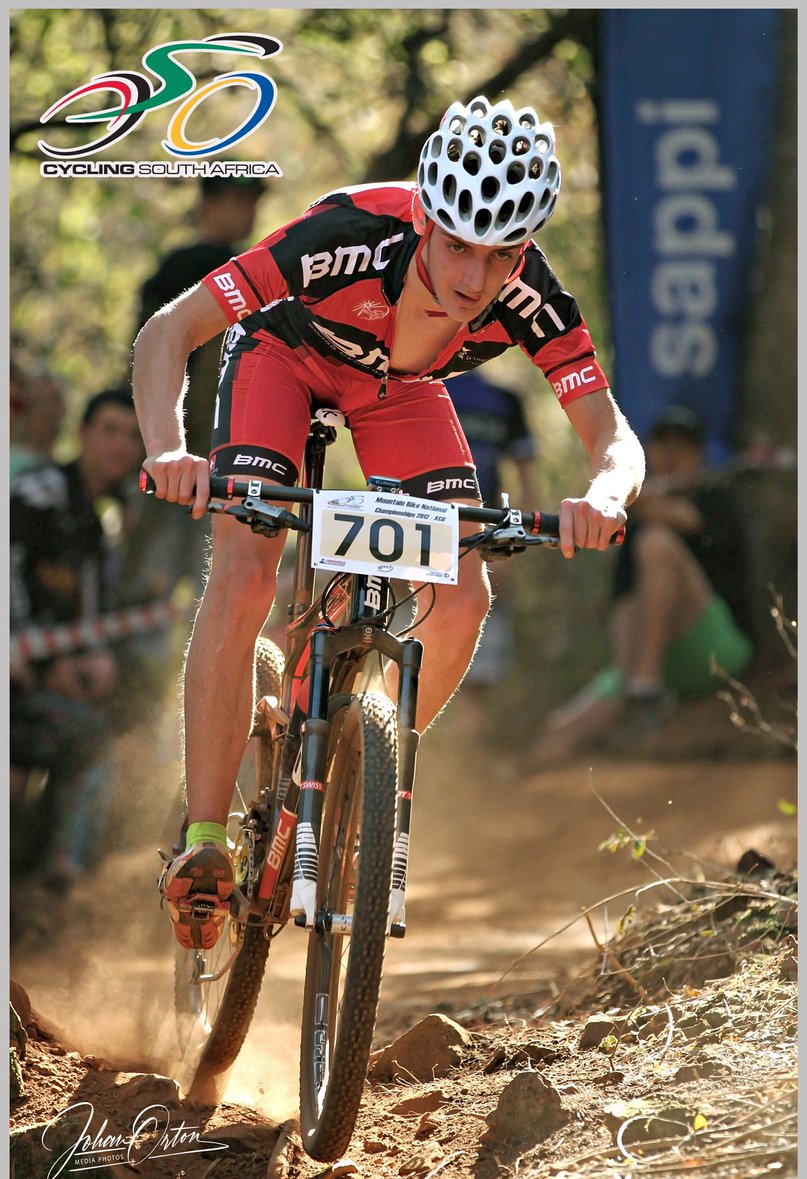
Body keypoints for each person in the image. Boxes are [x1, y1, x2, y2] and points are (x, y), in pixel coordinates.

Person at [132, 95, 645, 950]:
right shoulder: (345, 236)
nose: (475, 279)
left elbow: (610, 434)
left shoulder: (530, 294)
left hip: (398, 392)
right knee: (247, 566)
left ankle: (355, 769)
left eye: (503, 252)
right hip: (283, 358)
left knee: (463, 593)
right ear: (425, 217)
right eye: (456, 245)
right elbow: (169, 331)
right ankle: (207, 842)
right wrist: (166, 448)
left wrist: (603, 497)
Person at [115, 176, 269, 694]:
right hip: (178, 459)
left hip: (216, 464)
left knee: (203, 587)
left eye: (252, 201)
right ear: (208, 203)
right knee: (157, 589)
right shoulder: (199, 269)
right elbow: (152, 352)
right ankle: (136, 699)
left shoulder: (238, 265)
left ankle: (166, 703)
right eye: (236, 200)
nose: (246, 212)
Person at [538, 404, 756, 755]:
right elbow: (627, 601)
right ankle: (640, 690)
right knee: (559, 732)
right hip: (646, 659)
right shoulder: (634, 524)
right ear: (650, 452)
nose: (672, 457)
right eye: (664, 447)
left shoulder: (715, 500)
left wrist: (627, 499)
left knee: (657, 543)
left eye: (683, 449)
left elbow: (687, 520)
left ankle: (646, 686)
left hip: (716, 647)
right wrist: (623, 682)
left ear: (699, 455)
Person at [10, 386, 145, 891]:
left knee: (90, 739)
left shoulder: (101, 523)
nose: (120, 445)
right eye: (109, 430)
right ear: (82, 434)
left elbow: (91, 616)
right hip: (18, 672)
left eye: (132, 436)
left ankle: (54, 885)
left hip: (36, 684)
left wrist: (90, 659)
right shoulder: (36, 492)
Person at [445, 369, 538, 688]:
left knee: (479, 672)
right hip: (425, 533)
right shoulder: (420, 386)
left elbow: (526, 481)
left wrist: (511, 544)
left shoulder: (505, 399)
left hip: (482, 539)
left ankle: (473, 736)